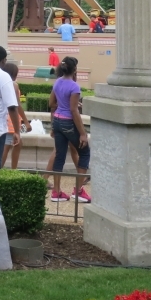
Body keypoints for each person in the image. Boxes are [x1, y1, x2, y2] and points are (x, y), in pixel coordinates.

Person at [49, 56, 91, 203]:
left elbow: (51, 103)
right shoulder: (74, 87)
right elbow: (74, 111)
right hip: (68, 122)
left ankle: (56, 192)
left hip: (57, 121)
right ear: (75, 69)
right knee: (84, 153)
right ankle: (78, 191)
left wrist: (64, 105)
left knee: (60, 156)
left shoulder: (57, 82)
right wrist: (83, 134)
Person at [0, 62, 29, 169]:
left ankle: (10, 170)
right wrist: (26, 121)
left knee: (15, 145)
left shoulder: (1, 83)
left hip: (4, 118)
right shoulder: (13, 85)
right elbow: (17, 105)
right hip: (11, 120)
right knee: (8, 146)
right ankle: (1, 169)